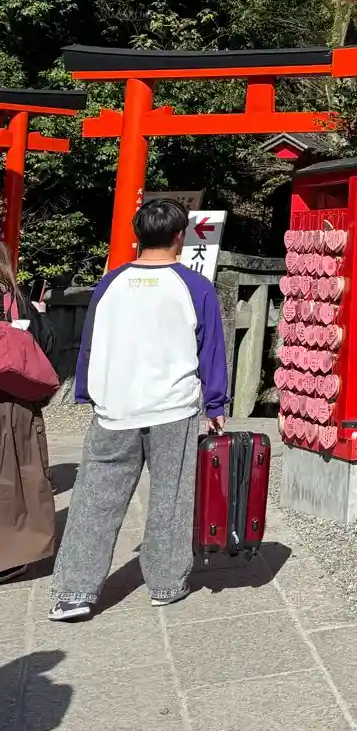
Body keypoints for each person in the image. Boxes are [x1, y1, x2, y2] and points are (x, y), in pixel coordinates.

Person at [48, 198, 228, 621]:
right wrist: (216, 402)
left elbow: (92, 342)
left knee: (94, 499)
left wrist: (87, 392)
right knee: (171, 497)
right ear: (180, 236)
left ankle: (74, 592)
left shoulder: (111, 283)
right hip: (174, 406)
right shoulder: (195, 287)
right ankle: (166, 583)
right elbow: (210, 350)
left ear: (138, 235)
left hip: (116, 405)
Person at [0, 246, 57, 580]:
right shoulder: (15, 301)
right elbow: (45, 346)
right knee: (15, 474)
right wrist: (40, 315)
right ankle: (11, 553)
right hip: (12, 400)